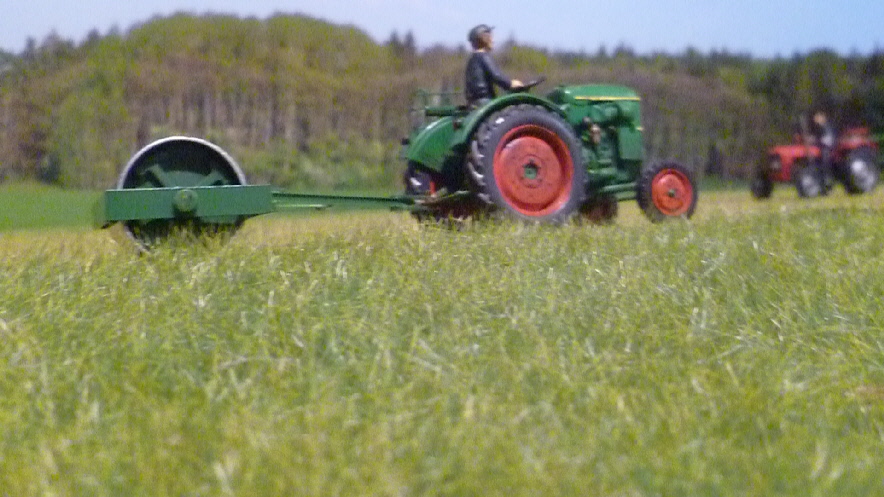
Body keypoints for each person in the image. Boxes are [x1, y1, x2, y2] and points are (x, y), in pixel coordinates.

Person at [464, 24, 523, 107]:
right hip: (485, 100)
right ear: (484, 39)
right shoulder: (483, 56)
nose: (493, 40)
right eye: (490, 37)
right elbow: (496, 75)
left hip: (474, 101)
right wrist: (511, 84)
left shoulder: (473, 59)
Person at [811, 110, 837, 190]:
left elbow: (829, 140)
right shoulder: (819, 128)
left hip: (828, 148)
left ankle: (827, 179)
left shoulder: (827, 127)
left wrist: (816, 140)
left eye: (818, 117)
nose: (816, 119)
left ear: (823, 117)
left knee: (825, 159)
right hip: (822, 147)